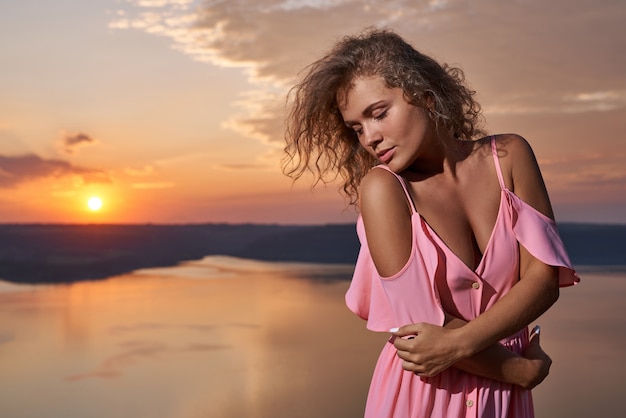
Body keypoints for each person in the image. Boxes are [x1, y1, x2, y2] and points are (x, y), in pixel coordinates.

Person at [282, 28, 579, 418]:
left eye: (379, 113)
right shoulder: (383, 190)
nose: (370, 137)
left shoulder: (510, 156)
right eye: (356, 128)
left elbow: (543, 280)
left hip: (503, 401)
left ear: (425, 95)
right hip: (423, 397)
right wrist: (518, 369)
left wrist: (460, 345)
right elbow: (419, 331)